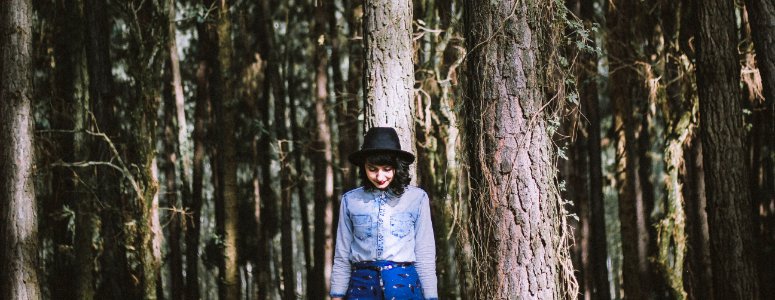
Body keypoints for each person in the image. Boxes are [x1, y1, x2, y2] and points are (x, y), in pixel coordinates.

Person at [330, 127, 438, 300]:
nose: (380, 176)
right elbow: (342, 255)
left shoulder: (417, 198)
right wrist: (336, 295)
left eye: (387, 169)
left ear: (397, 167)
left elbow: (425, 254)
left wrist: (431, 296)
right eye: (372, 169)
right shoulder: (350, 200)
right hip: (360, 290)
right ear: (364, 167)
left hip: (406, 290)